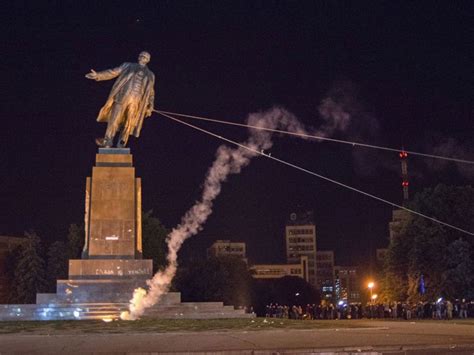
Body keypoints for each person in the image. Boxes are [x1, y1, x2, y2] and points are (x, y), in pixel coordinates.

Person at [85, 51, 155, 148]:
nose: (143, 57)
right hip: (122, 97)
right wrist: (98, 75)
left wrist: (150, 105)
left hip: (136, 102)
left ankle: (121, 143)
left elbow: (151, 92)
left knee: (128, 123)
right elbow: (113, 72)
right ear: (138, 57)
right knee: (114, 119)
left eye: (145, 56)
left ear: (148, 60)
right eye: (141, 55)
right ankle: (107, 141)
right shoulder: (128, 66)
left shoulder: (150, 75)